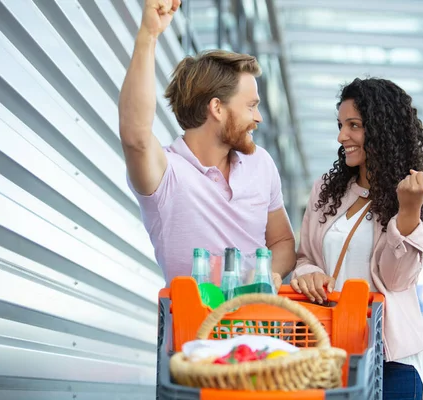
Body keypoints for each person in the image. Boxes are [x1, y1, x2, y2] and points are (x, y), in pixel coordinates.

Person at [290, 78, 423, 399]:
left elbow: (397, 278)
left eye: (354, 125)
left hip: (390, 362)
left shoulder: (421, 191)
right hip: (325, 350)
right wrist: (307, 274)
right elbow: (305, 258)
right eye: (340, 125)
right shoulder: (326, 189)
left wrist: (407, 211)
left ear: (382, 129)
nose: (341, 136)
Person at [119, 0, 295, 288]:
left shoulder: (261, 163)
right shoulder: (167, 175)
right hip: (195, 330)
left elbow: (283, 240)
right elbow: (135, 137)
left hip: (260, 329)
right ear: (217, 108)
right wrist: (148, 36)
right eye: (251, 106)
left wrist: (267, 275)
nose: (259, 117)